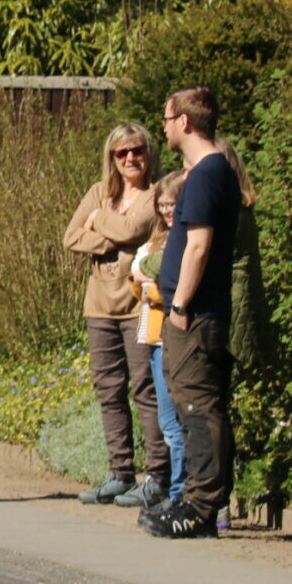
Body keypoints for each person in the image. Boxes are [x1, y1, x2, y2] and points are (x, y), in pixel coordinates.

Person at [143, 88, 249, 540]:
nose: (163, 126)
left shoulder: (207, 175)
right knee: (192, 404)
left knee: (197, 403)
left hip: (197, 313)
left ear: (185, 121)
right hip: (193, 310)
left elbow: (199, 245)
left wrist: (181, 304)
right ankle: (196, 499)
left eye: (167, 118)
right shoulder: (207, 172)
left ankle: (202, 506)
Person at [65, 125, 166, 506]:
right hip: (99, 306)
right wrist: (115, 239)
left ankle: (157, 473)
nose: (130, 159)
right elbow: (71, 237)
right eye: (121, 153)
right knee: (108, 390)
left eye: (136, 150)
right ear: (111, 157)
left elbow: (135, 227)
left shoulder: (157, 193)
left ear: (148, 151)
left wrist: (99, 223)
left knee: (145, 388)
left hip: (139, 305)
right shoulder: (98, 192)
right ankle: (119, 472)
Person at [127, 170, 188, 508]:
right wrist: (147, 281)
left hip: (171, 338)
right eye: (162, 205)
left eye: (173, 204)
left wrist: (150, 282)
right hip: (152, 337)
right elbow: (136, 282)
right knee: (167, 422)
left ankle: (179, 492)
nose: (167, 211)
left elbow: (165, 285)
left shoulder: (183, 241)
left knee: (177, 422)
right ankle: (177, 489)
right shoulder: (154, 241)